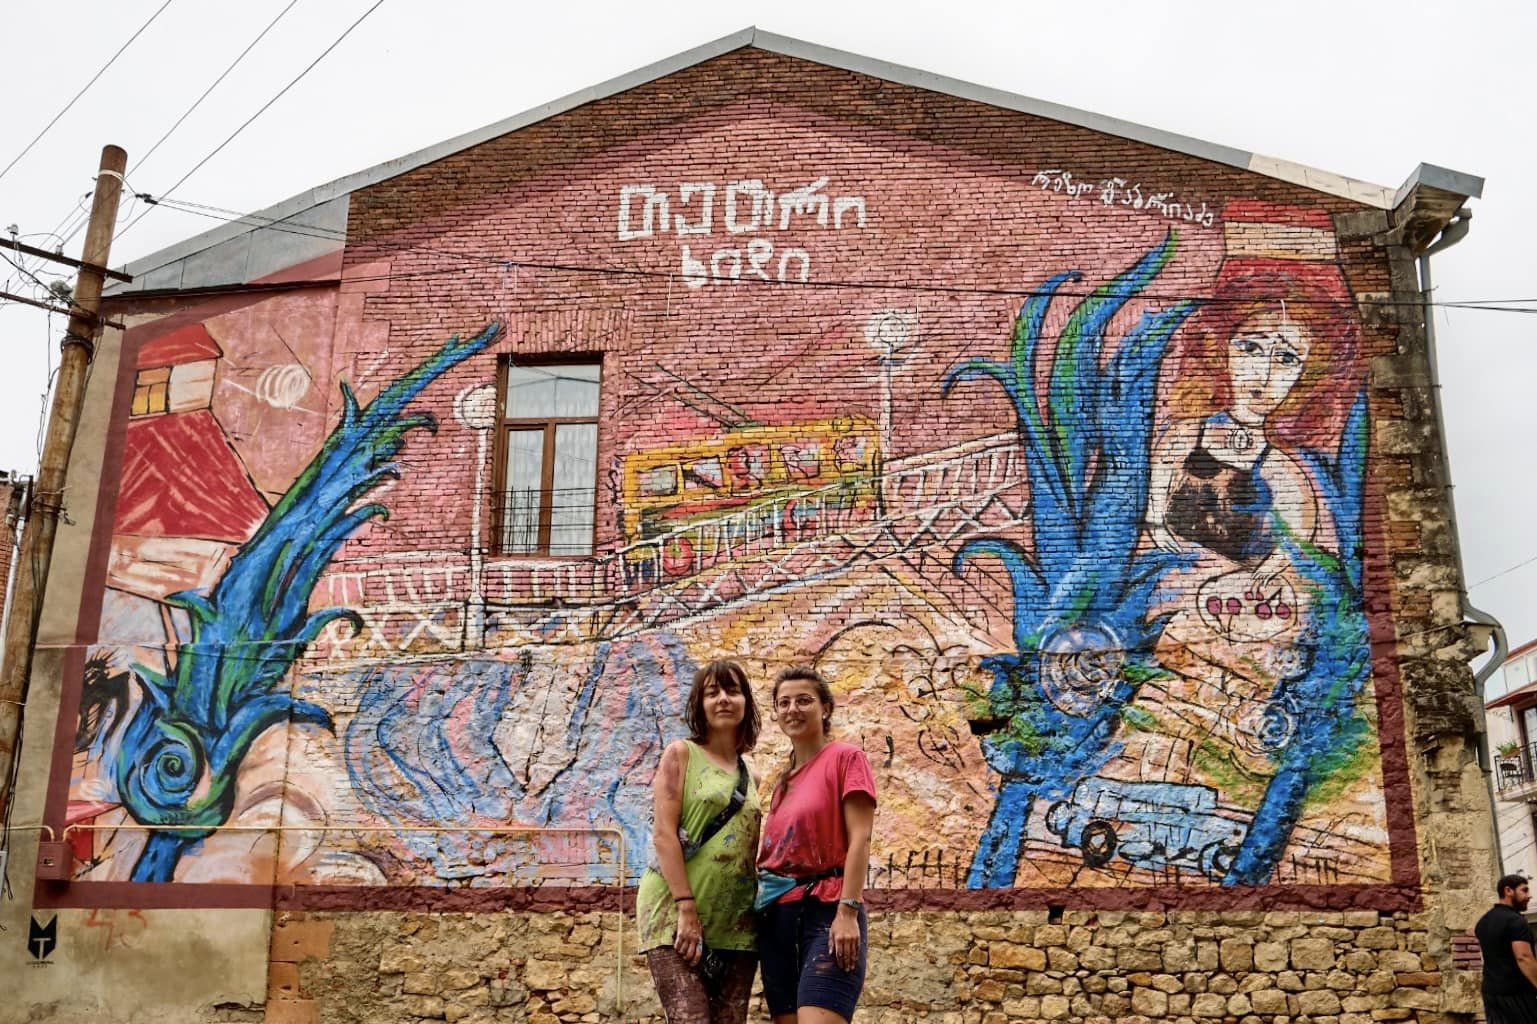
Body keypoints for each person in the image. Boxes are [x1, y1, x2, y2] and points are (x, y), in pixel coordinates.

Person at [636, 660, 763, 1024]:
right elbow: (664, 835)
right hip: (675, 914)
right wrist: (686, 907)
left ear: (746, 702)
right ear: (700, 704)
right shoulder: (681, 754)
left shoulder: (751, 774)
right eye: (712, 693)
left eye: (732, 691)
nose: (723, 699)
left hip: (735, 923)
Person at [757, 666, 877, 1024]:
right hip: (777, 918)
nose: (792, 709)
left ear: (825, 708)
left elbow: (861, 838)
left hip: (828, 909)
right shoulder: (782, 782)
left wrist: (848, 911)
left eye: (804, 700)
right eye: (784, 703)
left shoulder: (846, 758)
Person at [1475, 874, 1537, 1023]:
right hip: (1517, 994)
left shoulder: (1483, 921)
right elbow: (1524, 958)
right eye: (1524, 890)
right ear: (1508, 890)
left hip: (1491, 993)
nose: (1529, 896)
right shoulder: (1516, 921)